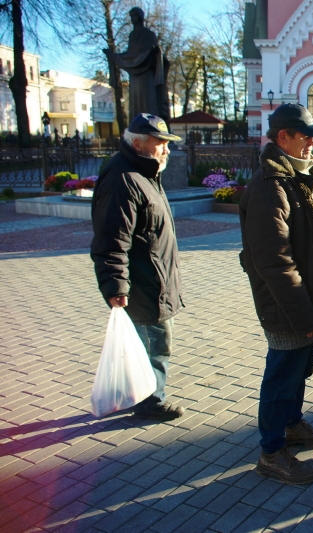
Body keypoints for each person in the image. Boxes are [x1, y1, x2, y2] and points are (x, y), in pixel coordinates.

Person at [239, 103, 313, 485]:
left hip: (309, 300)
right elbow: (274, 262)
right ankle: (272, 453)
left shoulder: (300, 176)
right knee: (281, 376)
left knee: (298, 370)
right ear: (282, 138)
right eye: (305, 134)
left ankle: (292, 426)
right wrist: (305, 316)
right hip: (289, 307)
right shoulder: (269, 187)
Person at [90, 113, 185, 420]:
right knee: (155, 343)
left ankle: (143, 394)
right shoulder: (124, 178)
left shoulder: (143, 171)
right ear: (140, 143)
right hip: (142, 284)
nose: (166, 149)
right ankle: (150, 401)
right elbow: (111, 239)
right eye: (161, 143)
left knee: (154, 341)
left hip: (153, 279)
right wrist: (116, 286)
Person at [104, 7, 170, 120]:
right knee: (135, 104)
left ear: (140, 17)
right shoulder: (131, 36)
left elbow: (156, 55)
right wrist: (113, 56)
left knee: (148, 102)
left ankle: (150, 125)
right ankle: (136, 126)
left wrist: (154, 53)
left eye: (134, 15)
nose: (132, 18)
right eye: (131, 16)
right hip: (135, 76)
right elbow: (130, 55)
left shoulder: (149, 35)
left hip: (147, 75)